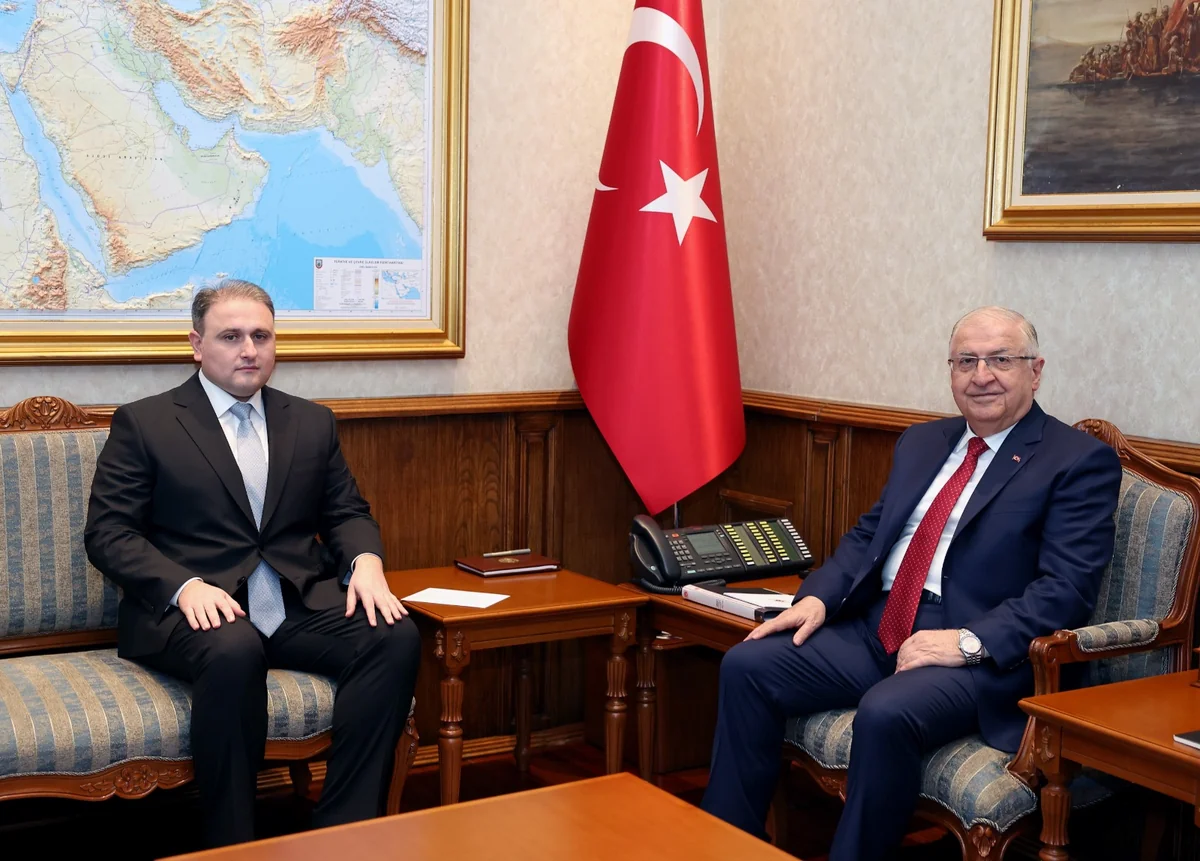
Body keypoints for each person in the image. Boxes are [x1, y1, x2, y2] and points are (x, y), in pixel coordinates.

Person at [700, 307, 1122, 860]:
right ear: (951, 372)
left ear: (1035, 371)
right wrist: (818, 597)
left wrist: (966, 642)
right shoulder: (923, 442)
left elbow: (1065, 589)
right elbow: (870, 534)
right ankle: (725, 847)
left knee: (885, 711)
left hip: (977, 652)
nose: (982, 376)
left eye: (1000, 360)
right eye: (966, 361)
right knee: (748, 666)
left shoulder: (1077, 461)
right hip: (881, 624)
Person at [84, 279, 421, 848]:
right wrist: (183, 585)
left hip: (293, 605)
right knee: (235, 648)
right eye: (231, 336)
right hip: (193, 610)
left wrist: (366, 561)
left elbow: (346, 512)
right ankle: (233, 845)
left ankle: (343, 834)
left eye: (261, 336)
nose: (249, 350)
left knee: (393, 635)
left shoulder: (310, 421)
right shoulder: (146, 423)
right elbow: (109, 533)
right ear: (197, 345)